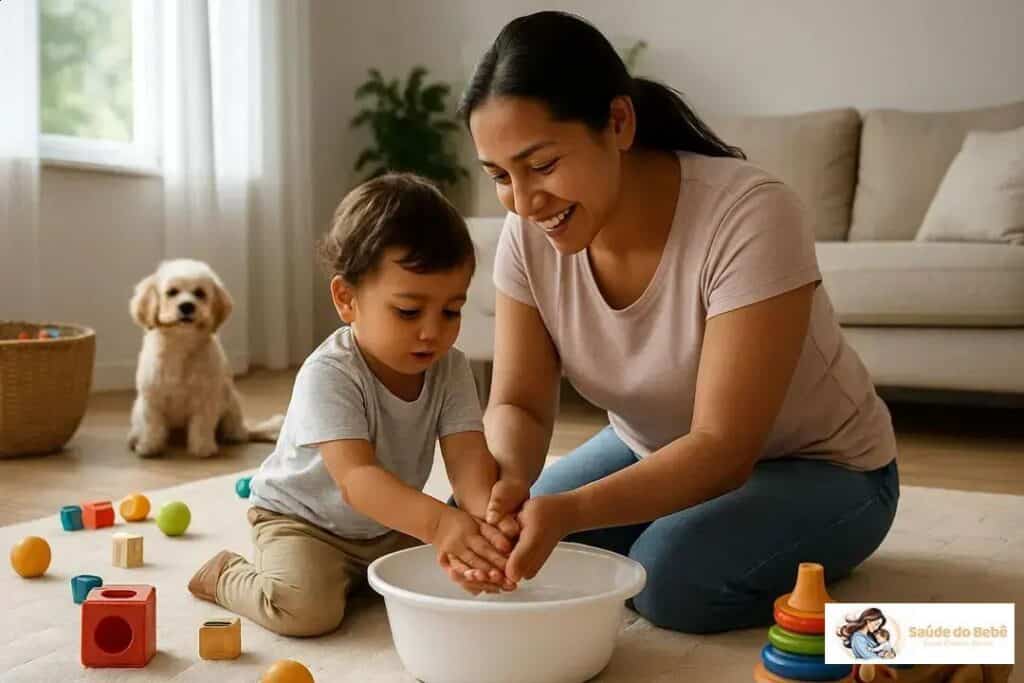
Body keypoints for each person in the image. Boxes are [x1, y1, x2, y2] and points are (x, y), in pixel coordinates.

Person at [454, 10, 900, 634]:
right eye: (500, 176)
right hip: (652, 447)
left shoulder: (749, 216)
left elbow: (722, 449)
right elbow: (521, 404)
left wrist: (570, 509)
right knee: (524, 549)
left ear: (618, 122)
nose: (525, 202)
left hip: (827, 468)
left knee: (668, 581)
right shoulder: (528, 235)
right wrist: (507, 489)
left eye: (543, 165)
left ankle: (929, 637)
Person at [187, 174, 517, 637]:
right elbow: (358, 481)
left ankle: (360, 577)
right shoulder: (330, 373)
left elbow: (467, 455)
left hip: (388, 524)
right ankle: (225, 575)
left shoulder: (450, 368)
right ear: (347, 299)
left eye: (451, 310)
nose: (432, 331)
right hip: (304, 521)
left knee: (451, 576)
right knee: (307, 612)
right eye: (408, 311)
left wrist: (484, 520)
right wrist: (442, 523)